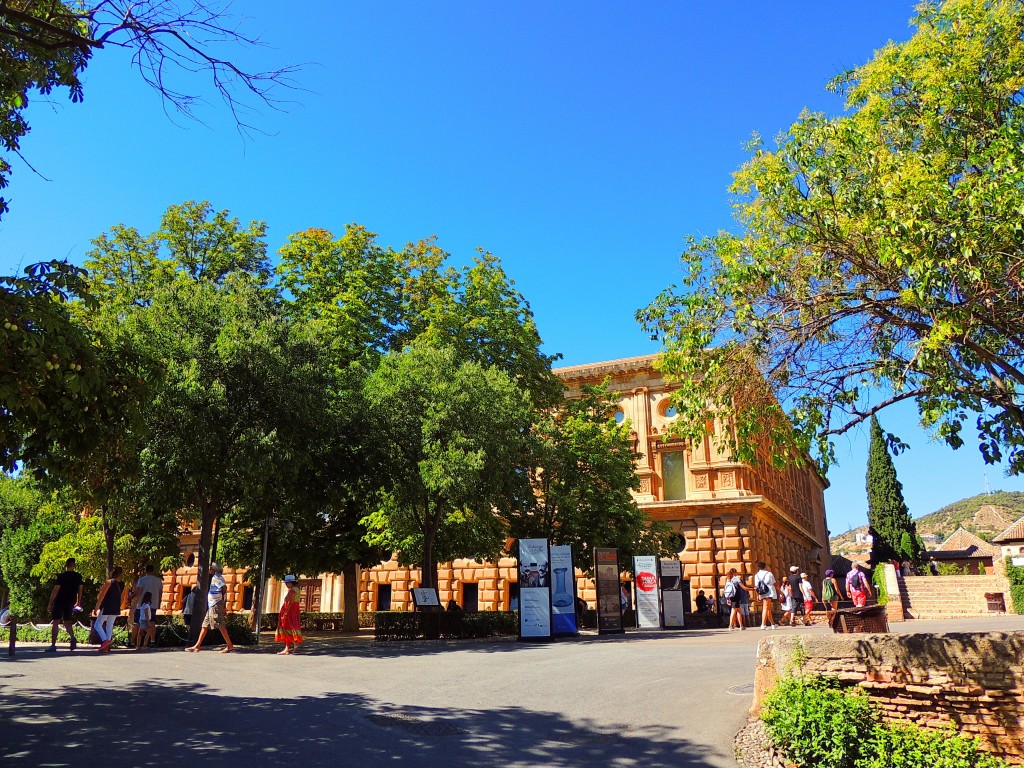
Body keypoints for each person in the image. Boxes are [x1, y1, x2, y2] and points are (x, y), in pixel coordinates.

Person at [186, 563, 235, 653]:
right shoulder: (215, 577)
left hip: (216, 604)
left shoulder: (216, 577)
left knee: (219, 624)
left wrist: (222, 601)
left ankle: (229, 645)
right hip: (212, 605)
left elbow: (224, 587)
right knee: (205, 625)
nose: (209, 569)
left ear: (214, 569)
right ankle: (197, 646)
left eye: (211, 568)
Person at [46, 557, 84, 652]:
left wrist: (50, 603)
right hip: (70, 601)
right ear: (74, 565)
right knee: (67, 621)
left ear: (66, 565)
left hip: (60, 600)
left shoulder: (62, 576)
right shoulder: (78, 576)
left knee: (56, 621)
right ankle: (72, 637)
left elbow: (55, 590)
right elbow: (80, 590)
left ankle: (53, 645)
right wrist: (78, 602)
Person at [130, 564, 163, 649]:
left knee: (137, 623)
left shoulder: (142, 580)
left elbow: (138, 592)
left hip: (142, 605)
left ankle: (133, 642)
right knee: (152, 623)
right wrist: (159, 603)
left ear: (145, 570)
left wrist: (131, 596)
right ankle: (152, 641)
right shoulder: (158, 580)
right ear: (153, 570)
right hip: (153, 604)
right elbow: (160, 593)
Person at [92, 566, 124, 653]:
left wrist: (97, 607)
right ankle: (107, 646)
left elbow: (102, 595)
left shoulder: (109, 582)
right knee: (109, 626)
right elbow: (122, 597)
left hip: (107, 606)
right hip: (115, 607)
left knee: (97, 624)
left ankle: (105, 641)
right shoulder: (122, 584)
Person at [275, 574, 303, 655]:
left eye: (287, 583)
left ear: (291, 582)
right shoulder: (295, 589)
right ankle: (287, 648)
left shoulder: (293, 590)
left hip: (290, 611)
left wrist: (285, 613)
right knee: (289, 627)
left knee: (286, 627)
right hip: (293, 610)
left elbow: (290, 602)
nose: (286, 584)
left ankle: (294, 642)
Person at [753, 561, 777, 629]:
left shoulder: (756, 575)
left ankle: (772, 624)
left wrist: (757, 595)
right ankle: (763, 624)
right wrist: (779, 591)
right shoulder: (769, 574)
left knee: (768, 608)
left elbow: (756, 587)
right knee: (766, 608)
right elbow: (774, 583)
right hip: (768, 592)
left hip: (762, 592)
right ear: (765, 566)